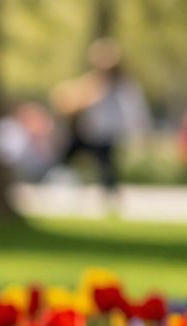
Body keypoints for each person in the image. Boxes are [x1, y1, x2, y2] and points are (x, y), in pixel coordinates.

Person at [52, 38, 151, 204]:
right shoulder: (91, 81)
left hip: (105, 133)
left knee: (106, 164)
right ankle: (62, 185)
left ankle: (110, 194)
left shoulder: (122, 85)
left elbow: (133, 109)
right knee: (69, 157)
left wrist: (139, 130)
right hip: (88, 130)